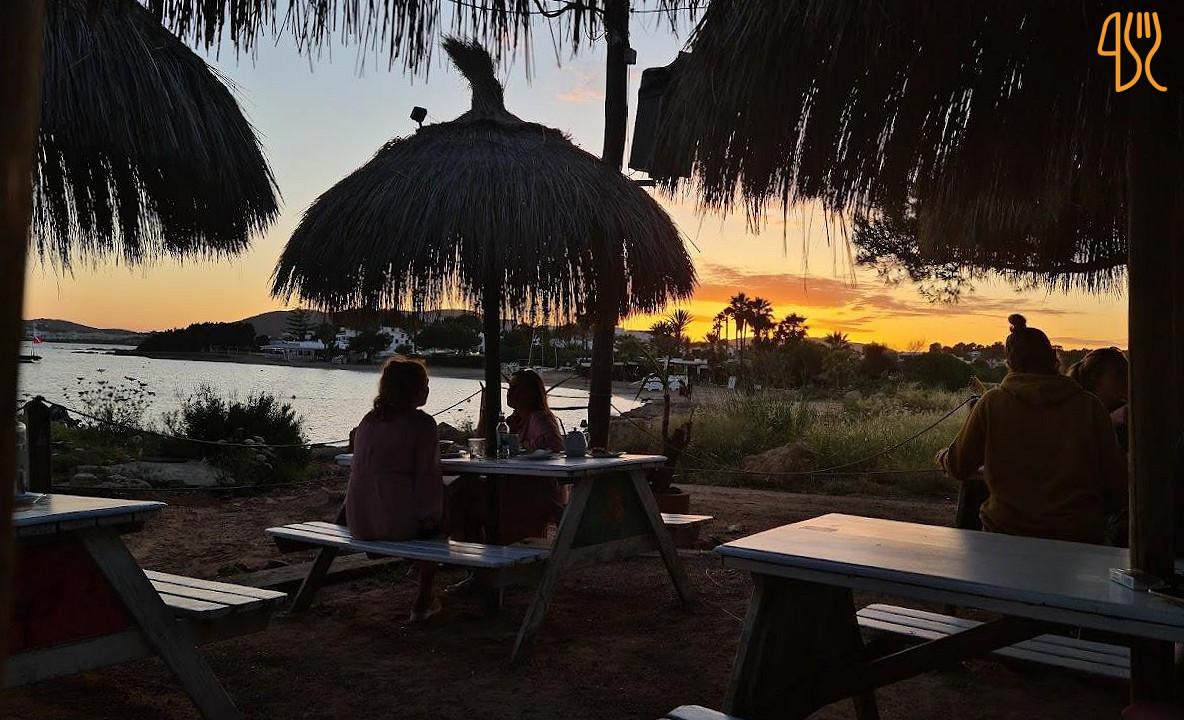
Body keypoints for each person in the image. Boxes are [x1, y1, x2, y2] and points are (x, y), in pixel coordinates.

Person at [936, 314, 1127, 545]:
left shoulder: (993, 403)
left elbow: (959, 466)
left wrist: (943, 457)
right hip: (1078, 536)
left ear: (1010, 362)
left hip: (1006, 533)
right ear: (1054, 358)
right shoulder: (1089, 406)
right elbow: (1116, 481)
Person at [346, 357, 444, 621]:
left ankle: (427, 576)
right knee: (456, 500)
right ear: (412, 389)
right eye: (424, 384)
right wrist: (430, 520)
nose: (428, 389)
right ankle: (424, 597)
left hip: (359, 523)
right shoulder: (422, 424)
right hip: (395, 526)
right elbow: (428, 479)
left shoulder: (368, 420)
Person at [449, 369, 565, 545]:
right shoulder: (512, 421)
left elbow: (555, 444)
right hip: (512, 482)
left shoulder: (539, 417)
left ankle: (480, 551)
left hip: (534, 489)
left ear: (533, 394)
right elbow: (481, 443)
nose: (510, 393)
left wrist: (519, 445)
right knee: (461, 490)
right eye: (509, 388)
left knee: (469, 499)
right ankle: (471, 548)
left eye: (516, 389)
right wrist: (487, 413)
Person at [1067, 347, 1129, 450]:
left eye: (1129, 372)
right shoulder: (1075, 415)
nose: (1128, 379)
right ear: (1094, 379)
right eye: (1119, 374)